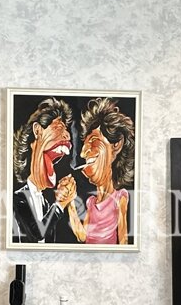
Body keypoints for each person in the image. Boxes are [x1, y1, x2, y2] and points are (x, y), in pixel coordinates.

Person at [57, 97, 134, 246]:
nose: (82, 154)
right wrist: (70, 202)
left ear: (116, 145)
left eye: (93, 141)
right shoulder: (91, 202)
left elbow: (123, 241)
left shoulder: (120, 198)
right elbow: (82, 236)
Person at [10, 97, 73, 244]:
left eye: (66, 130)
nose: (67, 135)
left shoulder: (44, 203)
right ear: (37, 130)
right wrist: (60, 204)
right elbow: (37, 234)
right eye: (58, 127)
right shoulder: (18, 198)